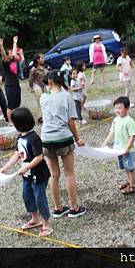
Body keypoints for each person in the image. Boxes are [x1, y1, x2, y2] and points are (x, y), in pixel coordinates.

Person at [40, 70, 86, 218]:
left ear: (50, 82)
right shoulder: (67, 96)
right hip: (63, 138)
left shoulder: (43, 97)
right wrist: (77, 138)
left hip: (46, 139)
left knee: (54, 175)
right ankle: (74, 207)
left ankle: (58, 208)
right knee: (69, 173)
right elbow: (71, 121)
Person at [0, 107, 52, 236]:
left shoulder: (34, 138)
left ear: (19, 124)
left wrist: (26, 167)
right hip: (27, 175)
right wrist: (7, 166)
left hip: (38, 175)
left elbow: (39, 157)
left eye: (13, 122)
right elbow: (17, 154)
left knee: (40, 198)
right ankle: (35, 218)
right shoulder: (20, 138)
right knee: (27, 195)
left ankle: (46, 224)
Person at [102, 96, 135, 195]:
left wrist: (127, 148)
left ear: (127, 108)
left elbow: (132, 136)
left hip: (128, 150)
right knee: (125, 167)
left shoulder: (130, 121)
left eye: (120, 108)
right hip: (118, 150)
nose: (117, 110)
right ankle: (129, 181)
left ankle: (133, 185)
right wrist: (105, 143)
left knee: (130, 168)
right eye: (116, 108)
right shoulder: (116, 120)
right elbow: (111, 132)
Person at [0, 37, 22, 121]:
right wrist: (1, 46)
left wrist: (14, 42)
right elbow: (3, 55)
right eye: (9, 54)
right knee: (10, 105)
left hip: (16, 84)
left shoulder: (13, 61)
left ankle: (16, 119)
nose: (11, 54)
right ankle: (9, 121)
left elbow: (14, 52)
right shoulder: (6, 63)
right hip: (10, 86)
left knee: (17, 104)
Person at [29, 53, 47, 122]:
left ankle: (46, 115)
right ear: (37, 60)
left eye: (43, 58)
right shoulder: (34, 69)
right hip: (37, 87)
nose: (43, 59)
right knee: (40, 102)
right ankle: (42, 117)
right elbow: (30, 79)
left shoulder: (44, 67)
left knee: (46, 101)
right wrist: (31, 87)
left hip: (44, 87)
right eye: (42, 58)